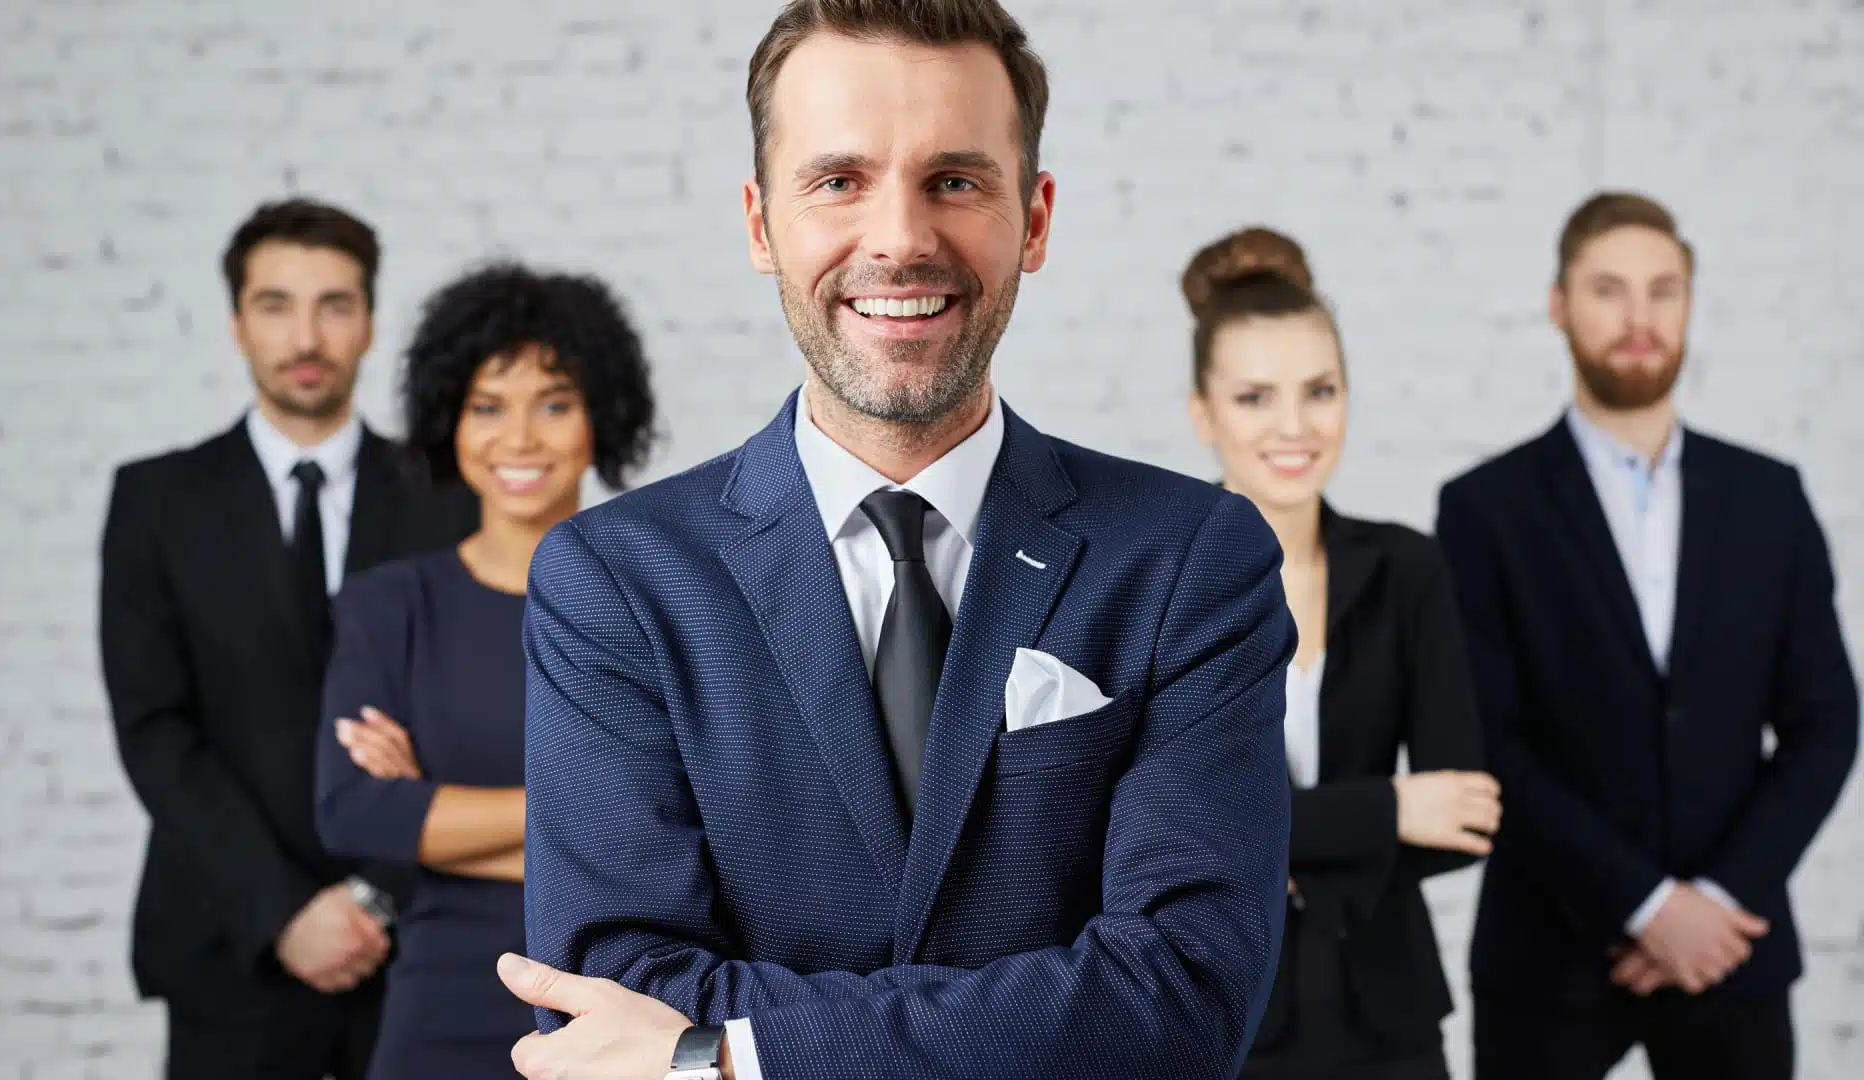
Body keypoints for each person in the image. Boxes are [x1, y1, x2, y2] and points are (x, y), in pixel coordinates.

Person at [490, 3, 1295, 1079]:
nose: (903, 239)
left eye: (955, 180)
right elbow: (607, 993)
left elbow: (1183, 998)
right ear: (761, 224)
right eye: (838, 181)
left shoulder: (1191, 559)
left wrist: (731, 1056)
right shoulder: (617, 584)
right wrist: (1041, 1015)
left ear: (1036, 218)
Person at [1436, 191, 1860, 1080]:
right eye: (1609, 290)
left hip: (1730, 950)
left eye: (1663, 290)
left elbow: (1825, 719)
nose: (1640, 318)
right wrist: (1643, 904)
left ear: (1690, 303)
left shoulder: (1770, 498)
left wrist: (1712, 901)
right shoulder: (1485, 510)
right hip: (1548, 959)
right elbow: (1486, 739)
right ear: (1558, 305)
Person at [98, 197, 478, 1079]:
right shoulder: (157, 504)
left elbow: (476, 722)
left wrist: (376, 898)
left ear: (371, 322)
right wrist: (282, 912)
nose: (306, 336)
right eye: (277, 304)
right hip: (229, 944)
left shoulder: (450, 501)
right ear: (237, 324)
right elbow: (156, 731)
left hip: (416, 944)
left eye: (334, 305)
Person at [313, 262, 659, 1079]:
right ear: (449, 423)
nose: (520, 440)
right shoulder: (390, 605)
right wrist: (583, 825)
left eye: (555, 404)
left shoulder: (655, 602)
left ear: (599, 418)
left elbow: (695, 833)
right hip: (439, 1007)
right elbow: (354, 811)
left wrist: (440, 822)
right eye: (487, 408)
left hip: (620, 1007)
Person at [1182, 228, 1500, 1080]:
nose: (1295, 427)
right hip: (1224, 1017)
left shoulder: (1407, 569)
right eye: (1255, 398)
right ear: (1203, 414)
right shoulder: (1156, 583)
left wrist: (1280, 844)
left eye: (1320, 391)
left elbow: (1462, 817)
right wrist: (1387, 810)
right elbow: (1172, 835)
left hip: (1388, 1018)